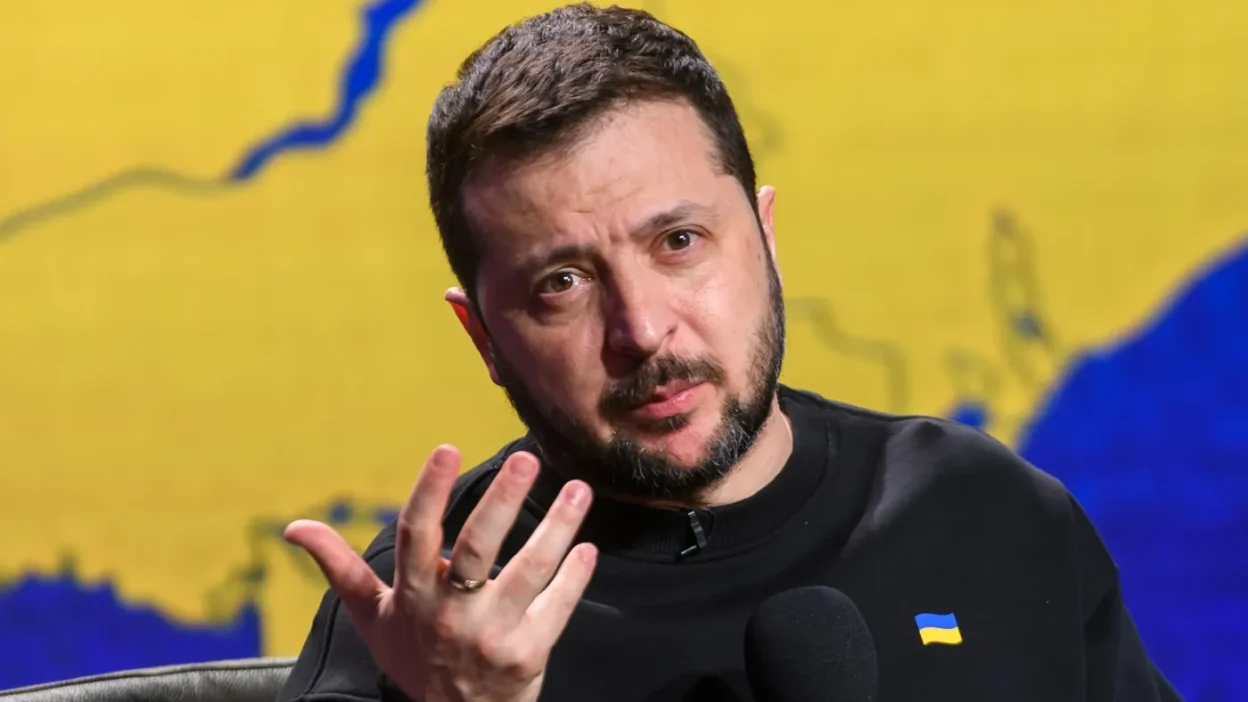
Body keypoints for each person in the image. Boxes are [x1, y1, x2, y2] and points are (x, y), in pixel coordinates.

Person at [276, 4, 1181, 701]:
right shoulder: (425, 625)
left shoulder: (988, 514)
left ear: (766, 239)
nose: (642, 330)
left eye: (679, 242)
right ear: (484, 338)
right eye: (563, 283)